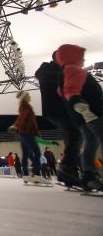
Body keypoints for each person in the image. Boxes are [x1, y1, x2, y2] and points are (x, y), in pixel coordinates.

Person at [55, 44, 103, 191]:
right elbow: (71, 91)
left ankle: (89, 175)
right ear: (72, 56)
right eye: (81, 56)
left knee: (91, 141)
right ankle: (89, 174)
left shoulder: (64, 72)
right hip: (92, 113)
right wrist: (83, 108)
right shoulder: (73, 69)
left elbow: (62, 92)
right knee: (94, 139)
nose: (84, 59)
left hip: (82, 118)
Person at [35, 51, 82, 187]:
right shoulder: (49, 70)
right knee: (75, 135)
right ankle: (67, 170)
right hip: (56, 109)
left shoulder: (55, 70)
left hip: (60, 109)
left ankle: (71, 171)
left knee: (73, 137)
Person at [9, 91, 51, 185]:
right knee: (37, 153)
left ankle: (26, 175)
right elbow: (22, 117)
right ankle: (36, 175)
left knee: (25, 154)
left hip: (23, 133)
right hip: (27, 133)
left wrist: (17, 126)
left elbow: (24, 118)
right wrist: (16, 125)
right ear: (24, 97)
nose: (30, 96)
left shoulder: (23, 105)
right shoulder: (25, 105)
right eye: (28, 95)